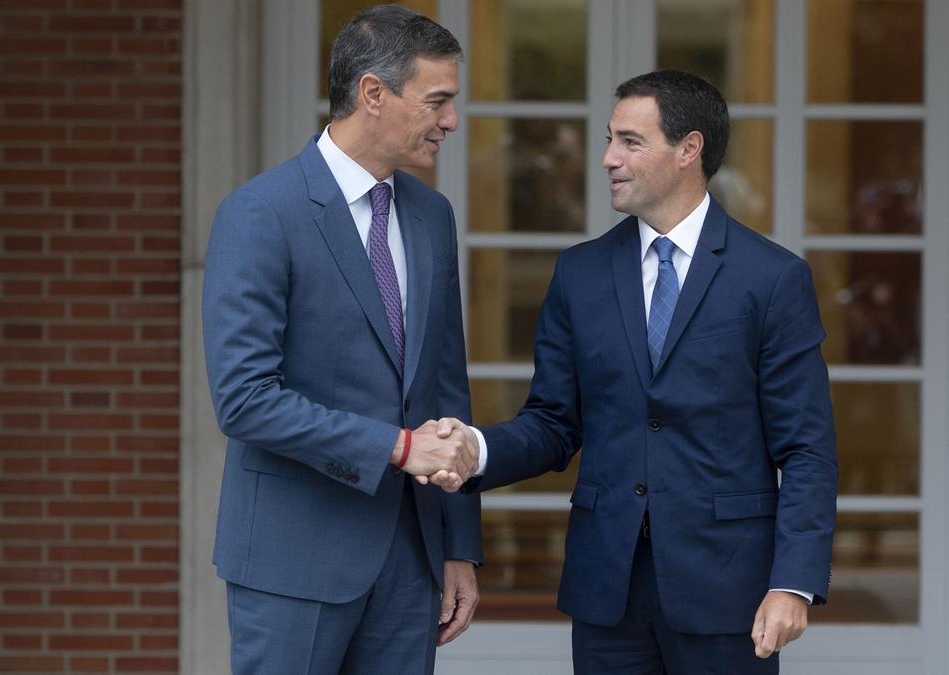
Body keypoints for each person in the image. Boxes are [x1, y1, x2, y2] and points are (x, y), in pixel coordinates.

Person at [444, 70, 838, 673]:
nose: (607, 158)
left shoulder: (772, 279)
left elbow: (807, 447)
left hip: (730, 591)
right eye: (609, 139)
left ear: (689, 149)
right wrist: (475, 449)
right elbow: (553, 423)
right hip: (609, 590)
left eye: (630, 141)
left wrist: (795, 581)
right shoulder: (579, 274)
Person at [201, 6, 482, 673]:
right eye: (437, 101)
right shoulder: (261, 212)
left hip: (411, 563)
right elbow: (243, 399)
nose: (450, 121)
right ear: (373, 94)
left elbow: (446, 386)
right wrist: (398, 446)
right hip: (291, 559)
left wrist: (458, 543)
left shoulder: (432, 216)